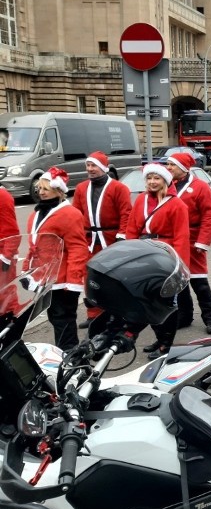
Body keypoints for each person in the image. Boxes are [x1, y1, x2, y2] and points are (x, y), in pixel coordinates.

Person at [125, 163, 191, 360]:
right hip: (144, 255)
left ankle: (166, 345)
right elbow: (132, 229)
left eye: (157, 178)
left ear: (165, 180)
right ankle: (160, 338)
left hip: (165, 257)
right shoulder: (141, 201)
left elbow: (181, 237)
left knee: (165, 303)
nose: (152, 182)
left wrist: (178, 266)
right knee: (148, 302)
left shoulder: (177, 204)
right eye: (149, 178)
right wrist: (129, 255)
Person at [26, 168, 89, 352]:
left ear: (59, 191)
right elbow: (33, 246)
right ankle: (64, 352)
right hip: (45, 278)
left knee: (63, 318)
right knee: (55, 316)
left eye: (46, 188)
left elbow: (78, 249)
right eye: (39, 189)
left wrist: (73, 282)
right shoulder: (36, 213)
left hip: (62, 280)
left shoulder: (70, 214)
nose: (41, 192)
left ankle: (69, 355)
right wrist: (27, 271)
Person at [71, 151, 131, 328]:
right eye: (88, 166)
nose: (90, 169)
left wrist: (122, 236)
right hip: (89, 239)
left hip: (111, 238)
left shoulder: (119, 188)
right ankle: (94, 316)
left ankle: (117, 315)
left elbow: (126, 213)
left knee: (113, 279)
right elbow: (76, 214)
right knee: (90, 278)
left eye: (94, 165)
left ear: (103, 167)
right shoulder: (82, 188)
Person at [166, 153, 211, 333]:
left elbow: (209, 216)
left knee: (199, 282)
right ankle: (184, 315)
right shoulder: (166, 185)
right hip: (172, 240)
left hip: (193, 240)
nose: (169, 168)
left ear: (183, 167)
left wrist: (202, 242)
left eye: (172, 165)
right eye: (168, 164)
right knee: (179, 281)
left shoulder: (200, 187)